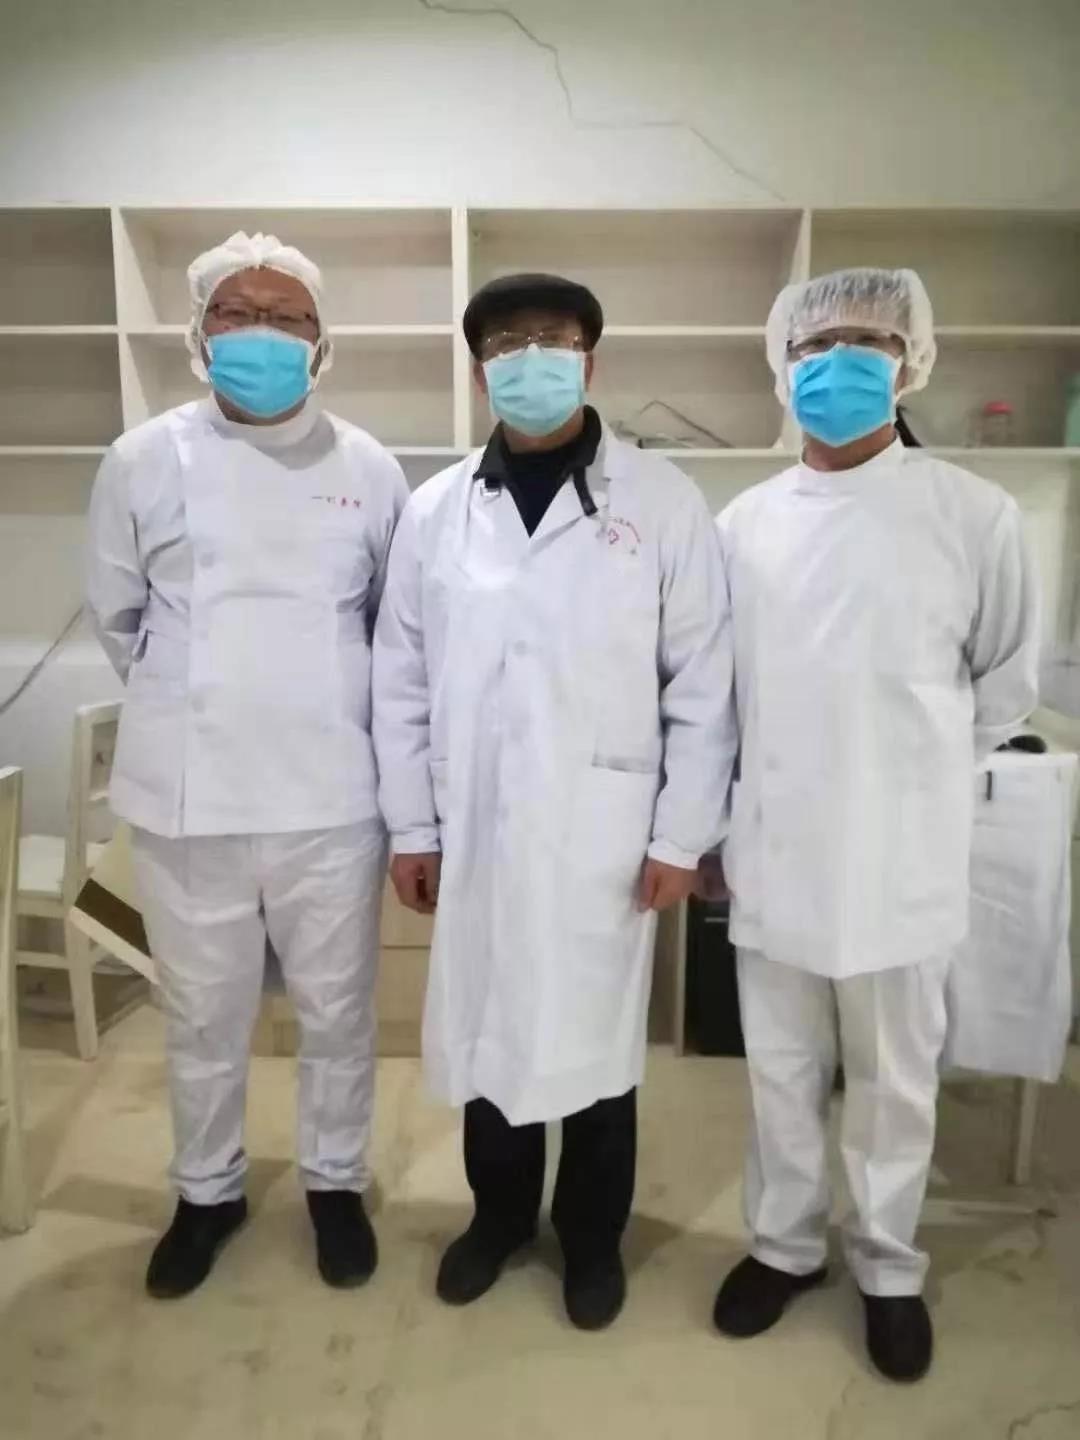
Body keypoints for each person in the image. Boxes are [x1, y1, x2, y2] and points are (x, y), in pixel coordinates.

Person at [373, 273, 736, 1330]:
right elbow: (399, 679)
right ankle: (497, 1220)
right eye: (506, 343)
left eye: (554, 339)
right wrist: (412, 826)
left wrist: (681, 836)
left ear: (591, 360)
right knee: (493, 1031)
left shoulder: (662, 503)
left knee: (595, 1047)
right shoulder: (437, 509)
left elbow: (702, 681)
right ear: (478, 368)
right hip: (477, 825)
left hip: (603, 835)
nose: (530, 358)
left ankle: (590, 1239)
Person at [711, 268, 1040, 1381]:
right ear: (782, 365)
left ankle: (889, 1266)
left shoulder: (974, 516)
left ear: (912, 361)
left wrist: (904, 770)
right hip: (773, 849)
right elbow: (718, 698)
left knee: (896, 1080)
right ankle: (784, 1245)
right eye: (816, 344)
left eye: (868, 339)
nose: (838, 361)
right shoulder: (743, 525)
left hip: (904, 855)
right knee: (781, 1071)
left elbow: (1002, 688)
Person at [86, 231, 409, 1298]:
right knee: (202, 1014)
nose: (261, 333)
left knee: (338, 1012)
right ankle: (206, 1192)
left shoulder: (369, 468)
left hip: (333, 796)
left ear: (322, 342)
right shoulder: (140, 459)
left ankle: (334, 1185)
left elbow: (390, 625)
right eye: (237, 312)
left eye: (286, 317)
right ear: (199, 332)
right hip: (191, 800)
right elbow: (120, 616)